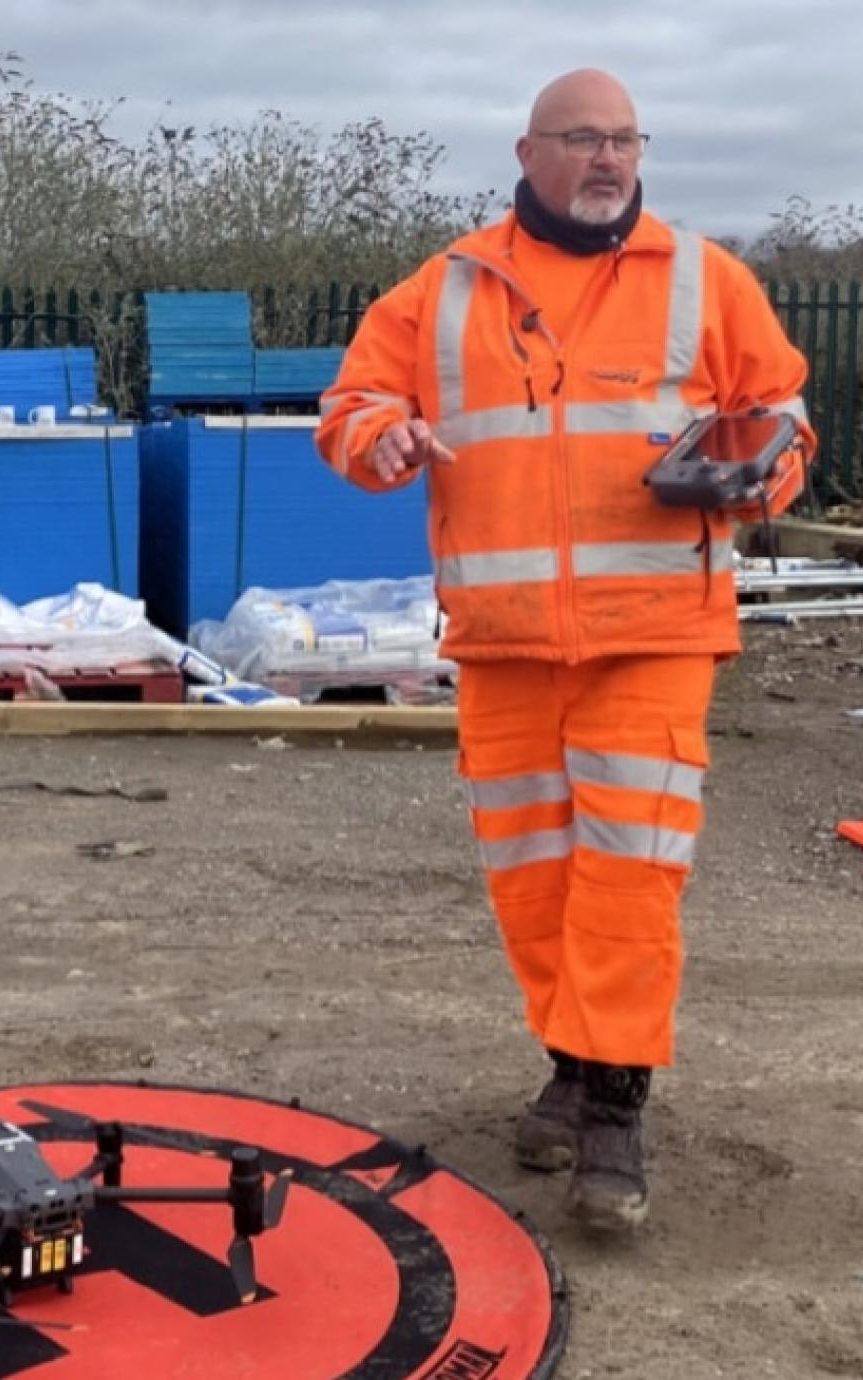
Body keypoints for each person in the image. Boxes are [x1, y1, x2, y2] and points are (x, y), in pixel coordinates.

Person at [315, 68, 814, 1232]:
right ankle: (574, 1060)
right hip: (502, 644)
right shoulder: (442, 288)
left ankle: (613, 1108)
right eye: (582, 138)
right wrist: (379, 439)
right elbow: (350, 405)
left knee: (628, 870)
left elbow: (781, 413)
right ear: (526, 152)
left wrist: (758, 473)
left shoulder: (705, 279)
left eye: (624, 140)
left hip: (654, 634)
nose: (606, 159)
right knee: (533, 877)